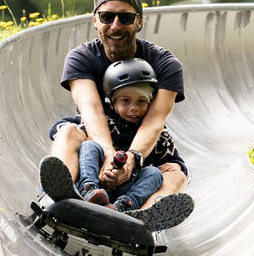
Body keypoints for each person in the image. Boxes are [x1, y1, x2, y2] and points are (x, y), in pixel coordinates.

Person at [44, 0, 189, 210]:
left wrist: (132, 158)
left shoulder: (165, 64)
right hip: (94, 149)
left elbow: (155, 120)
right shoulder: (81, 57)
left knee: (176, 173)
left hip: (142, 156)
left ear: (139, 22)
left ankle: (139, 217)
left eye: (126, 18)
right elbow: (91, 111)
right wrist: (109, 154)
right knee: (68, 132)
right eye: (107, 17)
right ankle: (60, 197)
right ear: (95, 20)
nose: (115, 26)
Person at [77, 58, 185, 212]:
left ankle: (124, 206)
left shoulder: (159, 136)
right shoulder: (106, 124)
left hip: (128, 188)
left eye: (141, 101)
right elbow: (62, 129)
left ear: (149, 104)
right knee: (89, 145)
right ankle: (88, 189)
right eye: (126, 101)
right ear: (112, 103)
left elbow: (175, 161)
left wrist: (177, 165)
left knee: (154, 173)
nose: (133, 108)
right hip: (98, 180)